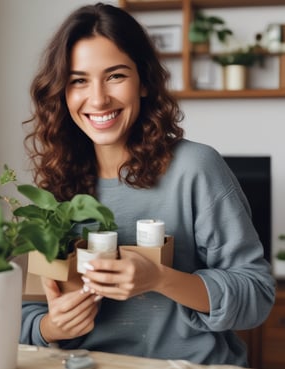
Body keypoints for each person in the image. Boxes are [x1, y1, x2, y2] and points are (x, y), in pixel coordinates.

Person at [20, 2, 275, 366]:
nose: (97, 98)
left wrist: (158, 278)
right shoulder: (55, 182)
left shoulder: (195, 168)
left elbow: (256, 296)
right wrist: (50, 327)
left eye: (116, 76)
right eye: (79, 80)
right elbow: (27, 309)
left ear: (144, 82)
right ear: (62, 91)